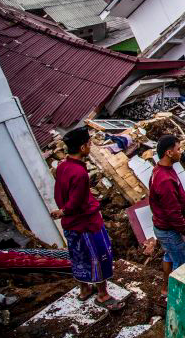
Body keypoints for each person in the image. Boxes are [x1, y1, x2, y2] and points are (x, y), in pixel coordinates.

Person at [51, 127, 125, 311]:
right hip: (86, 224)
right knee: (99, 257)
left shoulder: (62, 167)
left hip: (71, 226)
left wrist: (62, 211)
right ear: (83, 147)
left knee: (79, 258)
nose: (91, 146)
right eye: (90, 143)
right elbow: (76, 203)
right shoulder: (80, 173)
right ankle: (102, 295)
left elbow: (60, 195)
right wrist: (65, 211)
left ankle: (84, 290)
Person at [149, 134, 185, 298]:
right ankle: (176, 297)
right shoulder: (165, 179)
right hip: (170, 230)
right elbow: (172, 212)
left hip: (163, 228)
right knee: (182, 264)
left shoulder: (160, 169)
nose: (180, 152)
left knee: (169, 255)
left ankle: (166, 289)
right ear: (169, 152)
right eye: (178, 149)